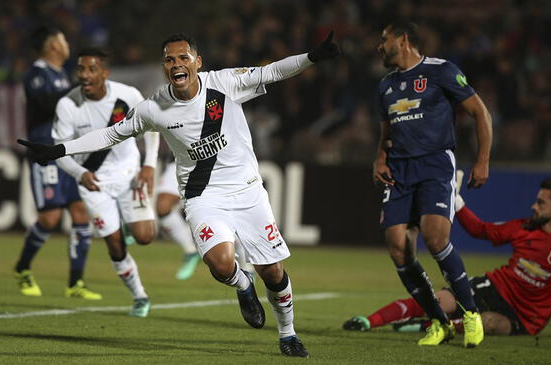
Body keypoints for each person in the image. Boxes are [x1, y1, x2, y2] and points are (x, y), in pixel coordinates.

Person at [18, 31, 340, 357]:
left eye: (183, 57)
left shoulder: (224, 84)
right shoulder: (153, 107)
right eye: (169, 60)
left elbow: (272, 71)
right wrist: (59, 150)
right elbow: (112, 134)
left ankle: (288, 333)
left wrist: (312, 56)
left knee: (272, 271)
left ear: (197, 62)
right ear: (164, 67)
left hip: (248, 191)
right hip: (202, 196)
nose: (176, 64)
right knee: (221, 263)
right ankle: (243, 286)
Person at [344, 179, 551, 340]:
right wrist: (457, 201)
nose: (534, 206)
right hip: (493, 286)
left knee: (488, 324)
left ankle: (423, 326)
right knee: (436, 299)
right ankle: (369, 321)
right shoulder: (524, 227)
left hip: (525, 318)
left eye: (541, 203)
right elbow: (481, 230)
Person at [373, 21, 493, 347]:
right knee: (398, 248)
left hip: (435, 165)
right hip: (399, 170)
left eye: (384, 40)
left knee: (435, 237)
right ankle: (439, 322)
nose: (380, 46)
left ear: (403, 39)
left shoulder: (441, 71)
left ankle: (469, 313)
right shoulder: (384, 86)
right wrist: (379, 158)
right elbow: (386, 135)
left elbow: (480, 114)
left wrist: (482, 161)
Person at [52, 48, 160, 317]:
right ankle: (140, 297)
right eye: (80, 70)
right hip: (93, 183)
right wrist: (80, 174)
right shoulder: (68, 105)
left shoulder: (128, 95)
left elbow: (153, 128)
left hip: (129, 175)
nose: (84, 75)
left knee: (145, 237)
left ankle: (125, 225)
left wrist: (149, 165)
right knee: (114, 244)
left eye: (91, 69)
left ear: (104, 73)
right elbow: (60, 152)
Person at [14, 26, 101, 300]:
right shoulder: (37, 73)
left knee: (79, 212)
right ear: (52, 45)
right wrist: (77, 90)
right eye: (62, 39)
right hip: (45, 154)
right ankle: (23, 268)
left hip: (67, 154)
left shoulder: (61, 75)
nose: (66, 44)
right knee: (50, 218)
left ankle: (75, 282)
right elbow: (41, 106)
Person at [156, 159, 254, 280]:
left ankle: (246, 268)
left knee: (224, 213)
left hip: (216, 160)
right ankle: (190, 251)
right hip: (182, 158)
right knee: (162, 207)